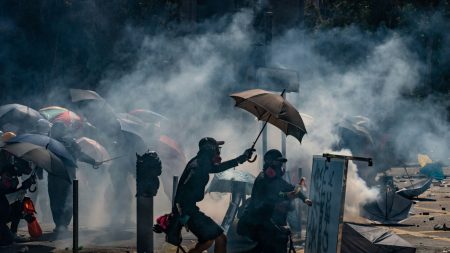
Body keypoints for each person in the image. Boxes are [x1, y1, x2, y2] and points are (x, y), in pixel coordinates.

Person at [173, 137, 254, 253]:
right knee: (219, 238)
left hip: (189, 211)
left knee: (211, 240)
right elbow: (183, 194)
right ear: (210, 150)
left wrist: (241, 159)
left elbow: (217, 168)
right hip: (188, 212)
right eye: (217, 149)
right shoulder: (197, 167)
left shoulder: (200, 162)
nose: (218, 152)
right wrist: (181, 216)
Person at [237, 149, 312, 253]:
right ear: (269, 163)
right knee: (277, 239)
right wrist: (286, 196)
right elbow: (270, 197)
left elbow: (292, 189)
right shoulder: (262, 179)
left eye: (281, 163)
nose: (280, 166)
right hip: (253, 223)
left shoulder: (276, 180)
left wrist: (305, 199)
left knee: (280, 238)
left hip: (265, 221)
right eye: (278, 162)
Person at [47, 121, 101, 233]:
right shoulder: (68, 143)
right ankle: (62, 225)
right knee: (64, 201)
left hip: (57, 176)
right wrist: (93, 162)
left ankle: (60, 225)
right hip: (63, 176)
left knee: (59, 201)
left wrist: (93, 161)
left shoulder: (49, 143)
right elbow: (80, 155)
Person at [0, 161, 34, 246]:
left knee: (22, 203)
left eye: (12, 177)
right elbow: (8, 197)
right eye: (7, 176)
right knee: (7, 240)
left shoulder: (10, 186)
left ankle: (13, 232)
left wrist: (26, 214)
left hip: (2, 219)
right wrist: (22, 187)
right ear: (2, 175)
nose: (10, 179)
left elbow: (15, 197)